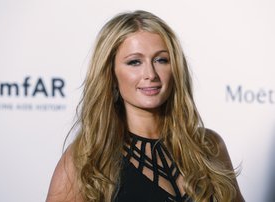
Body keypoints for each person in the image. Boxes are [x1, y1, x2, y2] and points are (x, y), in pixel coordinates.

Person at [46, 10, 244, 202]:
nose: (150, 74)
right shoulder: (86, 159)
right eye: (134, 62)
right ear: (111, 74)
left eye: (161, 60)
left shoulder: (209, 146)